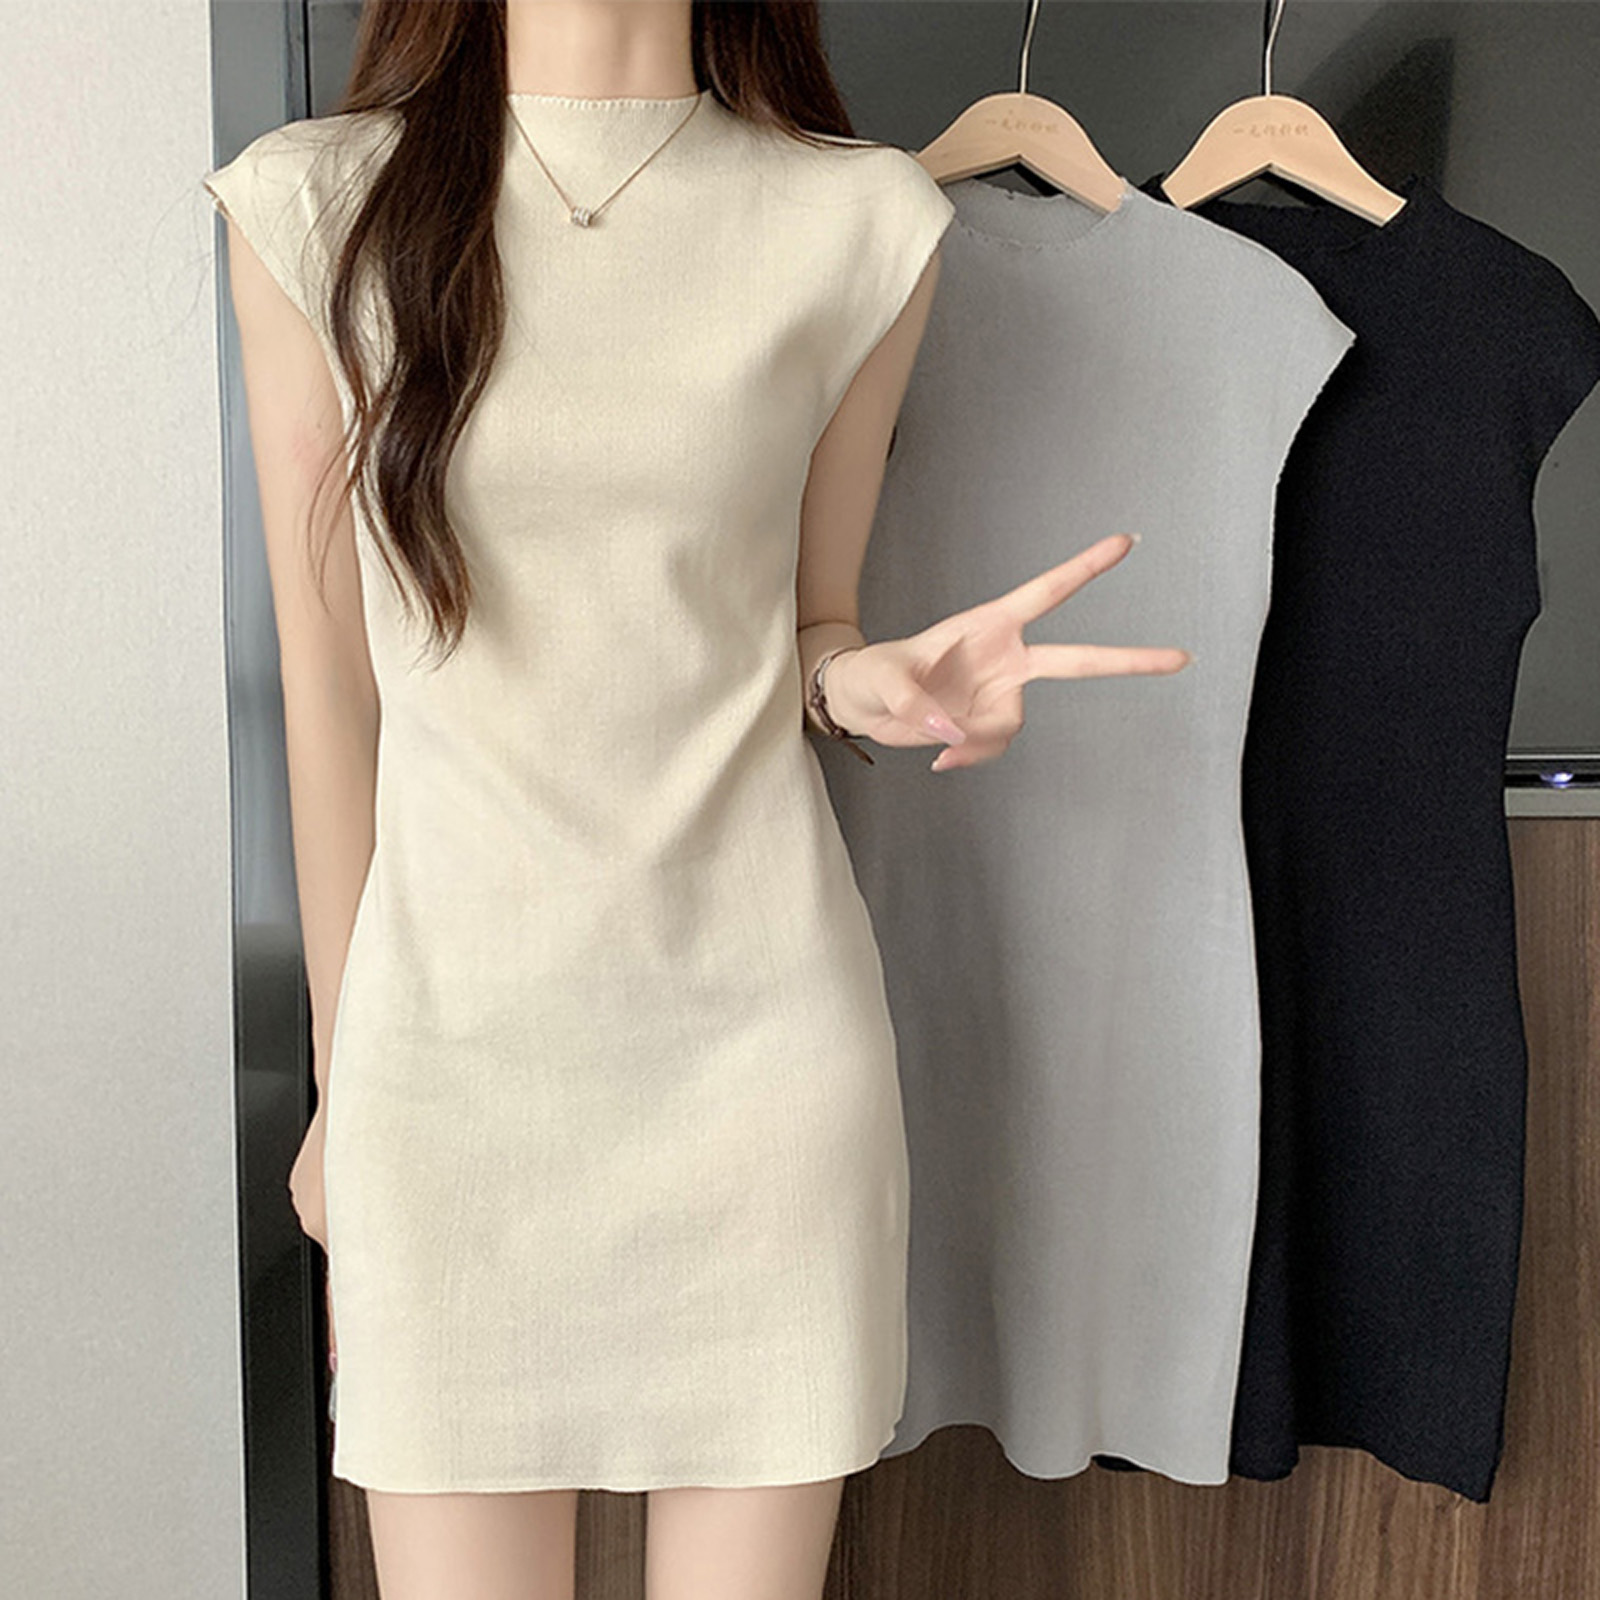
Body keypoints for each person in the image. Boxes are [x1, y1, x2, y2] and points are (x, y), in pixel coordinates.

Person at [207, 1, 1191, 1595]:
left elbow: (812, 620)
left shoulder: (859, 220)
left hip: (761, 1076)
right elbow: (331, 699)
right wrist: (343, 1084)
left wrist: (865, 683)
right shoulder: (312, 208)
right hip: (449, 1075)